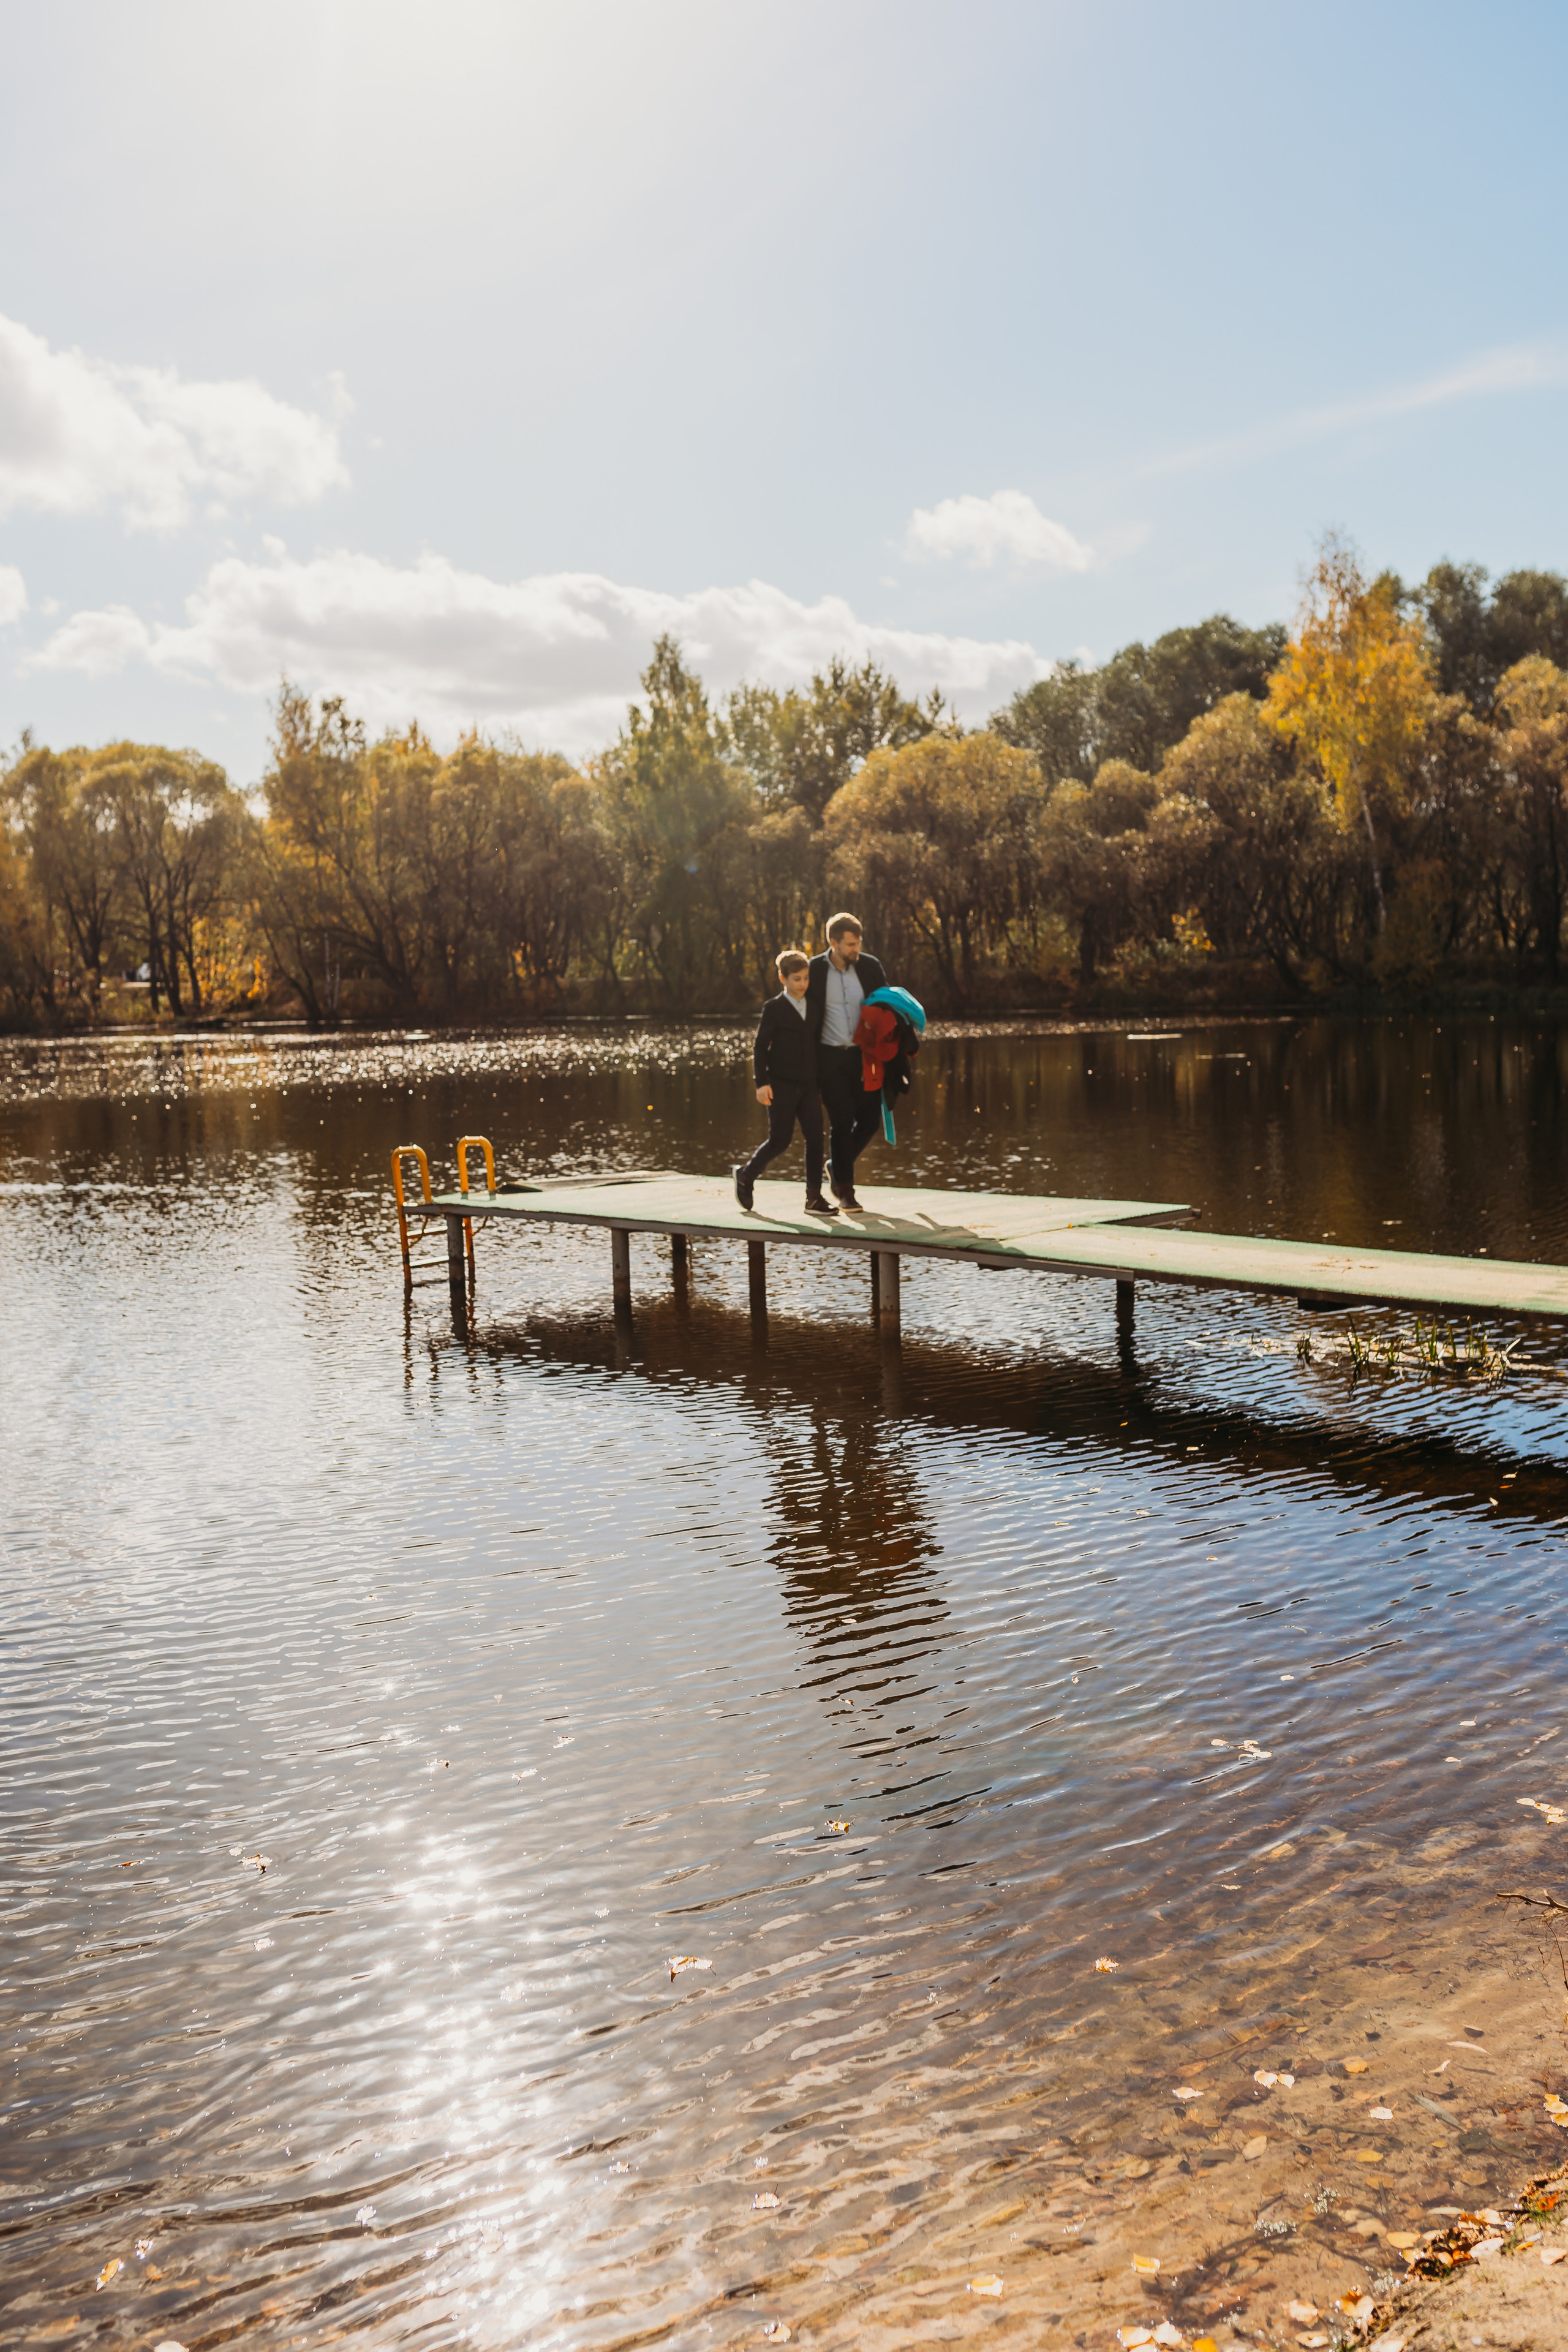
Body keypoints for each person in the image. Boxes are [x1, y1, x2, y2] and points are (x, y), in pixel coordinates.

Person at [733, 949, 839, 1215]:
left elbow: (818, 1047)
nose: (802, 984)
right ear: (783, 978)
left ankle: (814, 1198)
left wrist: (822, 1086)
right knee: (780, 1140)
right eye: (796, 979)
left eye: (805, 978)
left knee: (816, 1137)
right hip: (780, 1086)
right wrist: (762, 1083)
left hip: (809, 1086)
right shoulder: (774, 1008)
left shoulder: (814, 1007)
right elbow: (760, 1048)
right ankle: (746, 1175)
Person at [804, 912, 888, 1213]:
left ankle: (836, 1166)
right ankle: (846, 1192)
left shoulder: (869, 967)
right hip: (828, 1058)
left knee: (869, 1121)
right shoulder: (813, 970)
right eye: (850, 944)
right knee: (841, 1123)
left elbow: (886, 1008)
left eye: (858, 943)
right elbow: (802, 1018)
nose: (856, 949)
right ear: (833, 942)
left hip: (862, 1057)